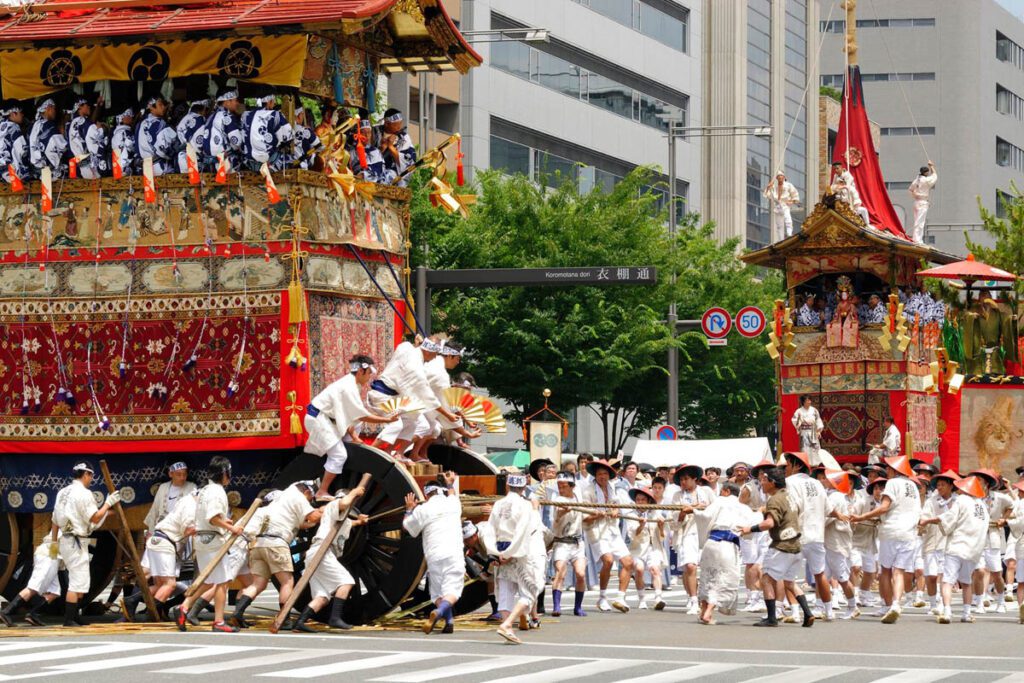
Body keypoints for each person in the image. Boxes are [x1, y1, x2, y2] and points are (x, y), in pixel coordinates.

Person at [229, 480, 322, 629]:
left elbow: (303, 523)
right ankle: (284, 618)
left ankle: (238, 613)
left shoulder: (280, 499)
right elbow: (313, 517)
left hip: (259, 544)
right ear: (307, 492)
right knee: (287, 582)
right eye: (311, 498)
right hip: (277, 544)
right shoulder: (297, 496)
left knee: (258, 584)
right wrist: (329, 508)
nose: (310, 501)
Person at [305, 355, 398, 500]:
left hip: (327, 420)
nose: (369, 378)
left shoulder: (350, 383)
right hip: (318, 420)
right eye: (368, 374)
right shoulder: (348, 387)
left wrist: (355, 436)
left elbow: (350, 416)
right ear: (361, 371)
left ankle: (349, 443)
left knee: (356, 425)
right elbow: (362, 415)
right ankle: (321, 492)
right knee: (339, 455)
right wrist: (387, 420)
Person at [174, 456, 245, 633]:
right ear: (224, 474)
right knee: (222, 581)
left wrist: (224, 521)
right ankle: (219, 621)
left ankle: (184, 607)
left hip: (203, 539)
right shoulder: (217, 491)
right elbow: (212, 518)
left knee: (209, 580)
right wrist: (231, 527)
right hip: (213, 541)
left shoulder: (205, 489)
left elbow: (211, 516)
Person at [849, 456, 922, 624]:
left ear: (895, 470)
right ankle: (896, 603)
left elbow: (884, 507)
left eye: (888, 468)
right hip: (909, 533)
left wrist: (862, 516)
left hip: (891, 531)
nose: (887, 471)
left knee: (886, 571)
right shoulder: (913, 487)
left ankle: (888, 605)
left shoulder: (892, 484)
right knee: (899, 571)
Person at [741, 466, 814, 627]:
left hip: (781, 545)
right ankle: (808, 613)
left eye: (764, 480)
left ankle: (772, 617)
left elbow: (770, 523)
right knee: (789, 582)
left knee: (766, 578)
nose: (762, 483)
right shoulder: (790, 496)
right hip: (796, 545)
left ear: (772, 482)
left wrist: (749, 529)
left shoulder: (774, 499)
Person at [51, 462, 121, 626]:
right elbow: (94, 518)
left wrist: (54, 547)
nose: (91, 480)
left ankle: (74, 616)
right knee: (76, 583)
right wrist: (108, 503)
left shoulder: (62, 492)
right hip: (75, 541)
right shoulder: (84, 493)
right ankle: (69, 619)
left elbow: (55, 519)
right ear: (86, 475)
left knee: (80, 581)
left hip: (65, 538)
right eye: (91, 476)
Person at [291, 485, 369, 632]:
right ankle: (335, 618)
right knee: (346, 582)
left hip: (319, 554)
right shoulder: (334, 505)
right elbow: (344, 503)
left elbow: (349, 523)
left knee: (323, 596)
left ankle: (300, 622)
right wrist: (354, 492)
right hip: (322, 552)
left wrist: (360, 521)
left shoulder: (342, 519)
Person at [684, 481, 758, 624]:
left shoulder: (719, 502)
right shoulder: (744, 508)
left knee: (707, 577)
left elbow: (705, 517)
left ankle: (703, 611)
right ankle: (708, 612)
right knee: (722, 579)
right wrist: (760, 512)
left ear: (725, 491)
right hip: (728, 546)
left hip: (710, 543)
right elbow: (752, 527)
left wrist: (694, 511)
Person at [919, 475, 989, 624]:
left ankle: (947, 611)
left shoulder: (962, 501)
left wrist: (928, 520)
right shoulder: (982, 506)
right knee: (966, 582)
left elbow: (948, 518)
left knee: (947, 581)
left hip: (957, 545)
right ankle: (966, 613)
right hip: (974, 549)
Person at [368, 336, 450, 457]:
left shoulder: (406, 347)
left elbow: (405, 347)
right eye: (435, 353)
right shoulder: (416, 369)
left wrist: (417, 345)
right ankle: (370, 451)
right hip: (381, 397)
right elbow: (427, 396)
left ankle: (391, 451)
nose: (435, 357)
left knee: (414, 420)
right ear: (427, 351)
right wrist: (448, 414)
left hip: (392, 398)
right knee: (397, 424)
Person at [783, 452, 841, 621]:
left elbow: (793, 507)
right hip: (816, 535)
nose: (785, 468)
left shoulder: (789, 482)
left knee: (787, 576)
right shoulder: (817, 483)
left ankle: (795, 612)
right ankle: (829, 611)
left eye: (787, 465)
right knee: (819, 574)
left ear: (796, 465)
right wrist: (842, 516)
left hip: (797, 535)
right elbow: (829, 509)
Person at [403, 477, 465, 635]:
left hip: (434, 554)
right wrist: (450, 482)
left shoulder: (423, 509)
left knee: (438, 592)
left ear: (426, 495)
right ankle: (439, 613)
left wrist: (409, 509)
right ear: (441, 491)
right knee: (453, 590)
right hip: (454, 552)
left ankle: (448, 621)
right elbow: (452, 493)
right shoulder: (453, 503)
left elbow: (407, 527)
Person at [490, 472, 545, 644]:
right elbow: (526, 531)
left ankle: (508, 628)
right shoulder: (525, 505)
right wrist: (535, 509)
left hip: (500, 549)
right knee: (530, 590)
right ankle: (507, 624)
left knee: (506, 592)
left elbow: (490, 530)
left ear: (507, 485)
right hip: (518, 552)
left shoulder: (498, 504)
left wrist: (496, 551)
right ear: (524, 487)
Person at [133, 488, 197, 620]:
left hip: (159, 540)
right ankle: (150, 615)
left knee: (160, 584)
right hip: (165, 542)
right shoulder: (191, 504)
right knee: (169, 584)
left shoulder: (185, 501)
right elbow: (188, 530)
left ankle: (132, 601)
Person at [582, 459, 634, 613]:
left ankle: (620, 597)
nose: (602, 476)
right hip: (597, 530)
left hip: (612, 530)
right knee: (608, 560)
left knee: (628, 562)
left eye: (605, 473)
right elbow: (583, 517)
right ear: (595, 475)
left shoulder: (612, 489)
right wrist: (596, 514)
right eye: (599, 474)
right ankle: (602, 597)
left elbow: (617, 507)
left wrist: (616, 511)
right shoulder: (588, 491)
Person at [671, 463, 714, 615]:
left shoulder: (706, 491)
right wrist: (684, 512)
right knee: (689, 566)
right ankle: (693, 599)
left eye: (686, 479)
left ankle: (703, 597)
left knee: (706, 568)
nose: (683, 482)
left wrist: (694, 507)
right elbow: (675, 520)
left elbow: (713, 508)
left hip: (704, 532)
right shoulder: (677, 496)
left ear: (695, 479)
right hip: (687, 533)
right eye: (681, 479)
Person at [0, 530, 63, 627]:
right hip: (50, 554)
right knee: (33, 587)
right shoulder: (70, 523)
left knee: (55, 591)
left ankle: (32, 613)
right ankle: (6, 611)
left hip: (52, 554)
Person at [971, 469, 1013, 614]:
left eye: (980, 480)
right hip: (976, 538)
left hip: (993, 537)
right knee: (979, 571)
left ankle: (1001, 601)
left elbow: (1012, 506)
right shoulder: (972, 498)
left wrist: (1004, 519)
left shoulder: (999, 497)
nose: (977, 483)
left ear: (987, 483)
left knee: (996, 573)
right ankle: (979, 602)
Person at [819, 468, 859, 619]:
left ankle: (852, 606)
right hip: (830, 540)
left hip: (836, 541)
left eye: (826, 478)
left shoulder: (835, 497)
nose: (823, 480)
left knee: (841, 577)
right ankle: (824, 607)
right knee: (822, 575)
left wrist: (814, 525)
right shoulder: (833, 495)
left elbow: (827, 516)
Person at [549, 471, 588, 617]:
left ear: (572, 486)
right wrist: (564, 511)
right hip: (561, 542)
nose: (561, 488)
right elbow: (557, 516)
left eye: (564, 486)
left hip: (577, 542)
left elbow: (586, 510)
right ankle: (556, 606)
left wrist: (599, 513)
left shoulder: (578, 495)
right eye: (559, 485)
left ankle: (578, 607)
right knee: (560, 572)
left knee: (580, 573)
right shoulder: (558, 499)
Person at [920, 469, 957, 615]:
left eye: (942, 485)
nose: (939, 487)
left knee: (942, 574)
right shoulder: (931, 501)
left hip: (948, 543)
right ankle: (932, 603)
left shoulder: (957, 501)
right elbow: (924, 516)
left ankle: (942, 602)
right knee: (930, 575)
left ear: (950, 486)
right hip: (931, 541)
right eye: (938, 485)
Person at [625, 487, 666, 611]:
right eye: (638, 499)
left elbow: (662, 536)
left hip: (653, 547)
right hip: (637, 548)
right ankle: (642, 598)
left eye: (643, 499)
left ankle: (658, 598)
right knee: (639, 569)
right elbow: (632, 535)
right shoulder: (630, 515)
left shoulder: (655, 513)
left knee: (655, 569)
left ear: (648, 501)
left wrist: (661, 526)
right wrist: (641, 526)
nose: (641, 502)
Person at [738, 460, 769, 613]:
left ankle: (763, 597)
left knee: (762, 564)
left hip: (766, 528)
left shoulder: (773, 487)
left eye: (767, 471)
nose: (765, 474)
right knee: (750, 564)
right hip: (749, 528)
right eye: (762, 472)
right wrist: (758, 510)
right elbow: (740, 508)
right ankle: (752, 596)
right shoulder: (748, 488)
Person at [245, 94, 293, 171]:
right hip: (270, 163)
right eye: (274, 101)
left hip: (250, 164)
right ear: (269, 102)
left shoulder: (246, 115)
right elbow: (288, 137)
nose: (274, 104)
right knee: (290, 159)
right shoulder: (275, 114)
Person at [137, 96, 178, 176]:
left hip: (146, 168)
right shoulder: (159, 123)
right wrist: (174, 153)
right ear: (151, 107)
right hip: (161, 167)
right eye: (160, 105)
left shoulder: (141, 123)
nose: (163, 107)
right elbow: (163, 148)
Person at [205, 90, 245, 173]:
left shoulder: (210, 116)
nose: (237, 103)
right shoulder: (227, 116)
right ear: (227, 102)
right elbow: (237, 142)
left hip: (209, 163)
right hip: (224, 163)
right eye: (235, 100)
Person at [29, 99, 68, 178]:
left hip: (36, 172)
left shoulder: (33, 125)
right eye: (54, 108)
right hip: (49, 173)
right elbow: (62, 147)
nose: (55, 111)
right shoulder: (50, 125)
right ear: (48, 108)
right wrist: (63, 131)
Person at [378, 108, 417, 184]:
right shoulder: (375, 133)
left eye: (400, 124)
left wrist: (390, 146)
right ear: (386, 123)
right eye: (396, 125)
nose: (399, 127)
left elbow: (406, 160)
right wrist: (382, 148)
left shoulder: (404, 137)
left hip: (393, 174)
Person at [176, 99, 210, 174]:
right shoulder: (200, 119)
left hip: (182, 159)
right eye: (207, 110)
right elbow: (199, 144)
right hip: (194, 159)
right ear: (204, 108)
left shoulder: (184, 119)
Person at [763, 172, 800, 239]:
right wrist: (768, 187)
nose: (780, 178)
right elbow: (767, 195)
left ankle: (789, 234)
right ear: (776, 178)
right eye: (778, 177)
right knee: (779, 225)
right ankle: (781, 239)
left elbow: (795, 194)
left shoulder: (788, 185)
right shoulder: (774, 186)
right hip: (777, 206)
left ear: (784, 177)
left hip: (785, 205)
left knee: (788, 219)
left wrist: (792, 201)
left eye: (781, 176)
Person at [0, 103, 29, 185]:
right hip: (13, 174)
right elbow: (22, 151)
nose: (23, 115)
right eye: (21, 112)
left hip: (2, 173)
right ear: (13, 114)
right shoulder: (14, 127)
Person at [908, 161, 937, 244]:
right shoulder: (926, 181)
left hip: (916, 201)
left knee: (917, 220)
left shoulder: (916, 180)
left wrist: (916, 195)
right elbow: (934, 176)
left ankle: (916, 238)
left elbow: (910, 190)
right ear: (926, 172)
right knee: (920, 222)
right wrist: (932, 166)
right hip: (922, 202)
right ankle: (917, 240)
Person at [791, 396, 824, 460]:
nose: (809, 402)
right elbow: (794, 420)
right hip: (804, 432)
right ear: (803, 402)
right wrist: (801, 421)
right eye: (807, 400)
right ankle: (807, 463)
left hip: (813, 432)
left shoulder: (814, 410)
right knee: (806, 449)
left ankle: (816, 464)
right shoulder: (799, 411)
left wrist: (818, 431)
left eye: (810, 400)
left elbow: (818, 420)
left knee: (815, 449)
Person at [111, 108, 137, 177]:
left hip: (118, 170)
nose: (132, 116)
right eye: (128, 114)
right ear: (121, 118)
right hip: (126, 171)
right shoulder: (125, 133)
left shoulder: (116, 134)